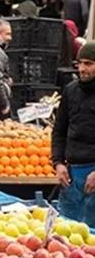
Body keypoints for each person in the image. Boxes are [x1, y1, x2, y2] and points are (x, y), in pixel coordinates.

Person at [51, 42, 95, 228]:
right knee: (65, 233)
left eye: (89, 63)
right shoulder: (70, 91)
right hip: (71, 175)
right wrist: (58, 162)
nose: (82, 69)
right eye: (80, 63)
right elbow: (59, 130)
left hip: (93, 173)